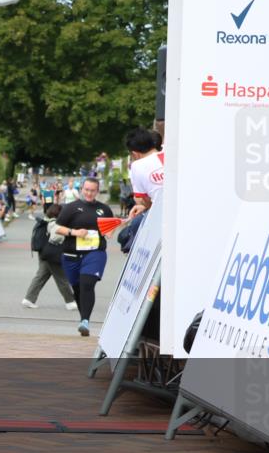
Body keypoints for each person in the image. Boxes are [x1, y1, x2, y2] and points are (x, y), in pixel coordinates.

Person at [55, 177, 113, 336]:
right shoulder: (70, 208)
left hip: (95, 253)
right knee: (78, 288)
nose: (89, 193)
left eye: (92, 190)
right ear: (82, 189)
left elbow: (109, 230)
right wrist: (74, 232)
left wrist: (109, 233)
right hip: (71, 254)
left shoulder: (104, 209)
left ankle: (85, 321)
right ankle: (83, 318)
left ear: (97, 191)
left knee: (88, 283)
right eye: (86, 189)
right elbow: (57, 228)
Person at [22, 204, 76, 310]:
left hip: (44, 253)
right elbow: (57, 238)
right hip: (52, 254)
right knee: (62, 278)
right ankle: (70, 302)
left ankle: (28, 299)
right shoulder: (54, 223)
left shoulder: (45, 220)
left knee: (41, 276)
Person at [125, 127, 164, 218]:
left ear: (135, 154)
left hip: (161, 213)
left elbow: (142, 200)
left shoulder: (137, 166)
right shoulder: (169, 151)